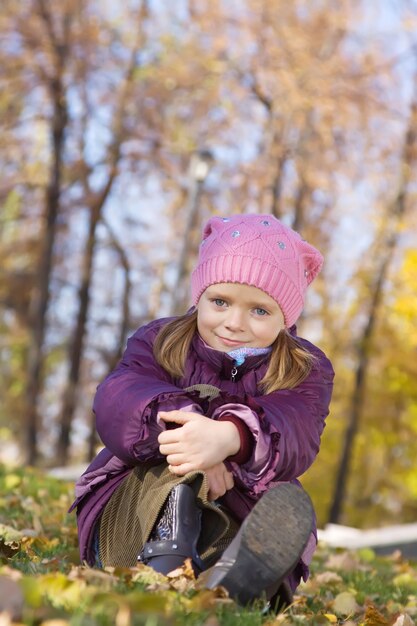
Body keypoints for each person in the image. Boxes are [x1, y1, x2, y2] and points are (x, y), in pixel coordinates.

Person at [71, 213, 334, 609]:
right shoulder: (159, 340)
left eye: (260, 311)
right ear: (199, 296)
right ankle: (165, 564)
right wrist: (192, 435)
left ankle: (232, 584)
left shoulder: (304, 368)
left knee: (271, 513)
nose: (234, 323)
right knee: (175, 473)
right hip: (131, 517)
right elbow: (117, 399)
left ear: (286, 316)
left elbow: (299, 429)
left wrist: (231, 438)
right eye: (220, 302)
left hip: (232, 511)